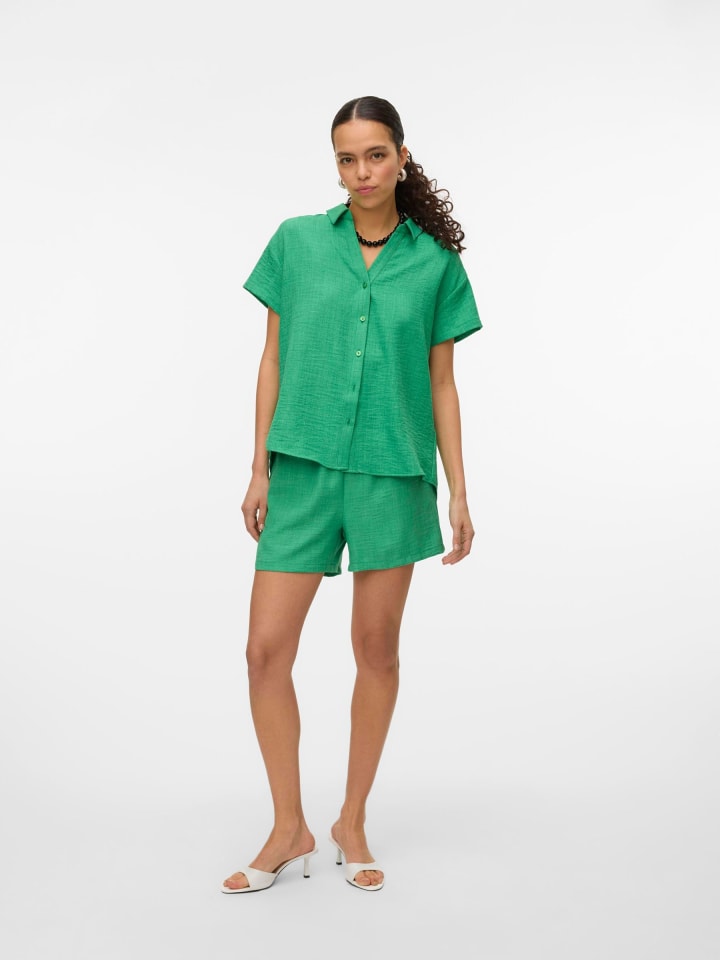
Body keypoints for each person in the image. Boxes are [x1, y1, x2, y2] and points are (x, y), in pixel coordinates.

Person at [221, 95, 481, 894]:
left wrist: (459, 492)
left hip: (391, 473)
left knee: (376, 650)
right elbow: (272, 357)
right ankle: (288, 827)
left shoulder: (435, 265)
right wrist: (259, 467)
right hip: (300, 467)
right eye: (346, 158)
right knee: (265, 652)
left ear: (401, 156)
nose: (361, 171)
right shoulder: (297, 242)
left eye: (375, 155)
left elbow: (442, 382)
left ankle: (352, 820)